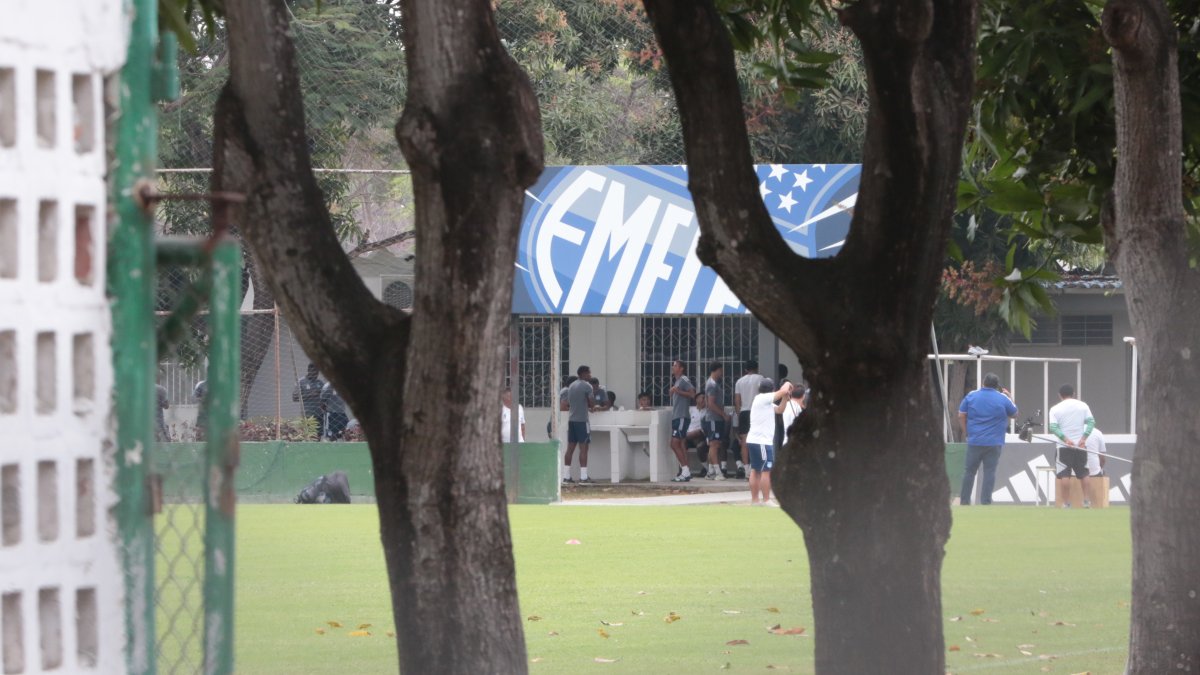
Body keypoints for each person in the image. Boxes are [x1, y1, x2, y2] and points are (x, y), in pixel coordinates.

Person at [957, 372, 1017, 505]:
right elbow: (1014, 414)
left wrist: (967, 432)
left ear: (983, 382)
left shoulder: (972, 395)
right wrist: (1010, 397)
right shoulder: (1002, 398)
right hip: (994, 442)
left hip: (975, 440)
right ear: (997, 386)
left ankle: (965, 501)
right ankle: (985, 502)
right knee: (990, 472)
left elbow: (961, 415)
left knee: (969, 472)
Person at [745, 379, 793, 505]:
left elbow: (780, 410)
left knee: (756, 470)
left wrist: (784, 398)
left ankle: (755, 500)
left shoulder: (763, 400)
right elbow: (782, 390)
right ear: (771, 389)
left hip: (756, 440)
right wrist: (787, 384)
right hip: (761, 441)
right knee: (766, 470)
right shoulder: (764, 398)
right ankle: (766, 500)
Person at [1049, 383, 1096, 508]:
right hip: (1080, 445)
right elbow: (1091, 422)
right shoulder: (1083, 405)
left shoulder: (1055, 408)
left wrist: (1065, 439)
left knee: (1064, 474)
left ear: (1060, 395)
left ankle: (1066, 503)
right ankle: (1086, 500)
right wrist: (1084, 438)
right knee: (1084, 473)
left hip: (1063, 446)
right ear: (1074, 394)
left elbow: (1053, 427)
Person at [563, 365, 597, 484]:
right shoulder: (587, 386)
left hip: (571, 420)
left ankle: (566, 477)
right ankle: (583, 478)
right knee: (584, 449)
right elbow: (591, 401)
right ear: (583, 374)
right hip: (582, 421)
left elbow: (568, 402)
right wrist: (593, 407)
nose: (590, 375)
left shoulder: (571, 385)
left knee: (570, 449)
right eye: (589, 373)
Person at [732, 360, 764, 479]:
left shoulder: (739, 381)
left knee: (744, 442)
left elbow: (737, 400)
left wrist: (739, 414)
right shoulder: (761, 379)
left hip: (744, 412)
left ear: (745, 370)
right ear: (757, 368)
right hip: (757, 411)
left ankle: (746, 470)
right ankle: (754, 467)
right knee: (758, 439)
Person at [667, 359, 696, 482]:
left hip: (682, 416)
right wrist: (672, 392)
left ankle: (685, 470)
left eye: (675, 366)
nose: (673, 367)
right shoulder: (677, 381)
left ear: (681, 368)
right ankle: (685, 470)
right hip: (677, 416)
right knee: (681, 444)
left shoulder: (684, 379)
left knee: (674, 444)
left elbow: (692, 394)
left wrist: (678, 391)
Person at [702, 362, 730, 481]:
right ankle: (717, 472)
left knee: (715, 444)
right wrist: (723, 414)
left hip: (715, 418)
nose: (722, 373)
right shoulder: (712, 385)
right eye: (721, 370)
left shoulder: (713, 384)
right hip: (713, 418)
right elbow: (711, 404)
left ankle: (710, 471)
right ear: (717, 370)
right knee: (714, 444)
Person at [292, 363, 326, 440]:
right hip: (307, 415)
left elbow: (324, 398)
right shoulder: (301, 382)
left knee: (318, 436)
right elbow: (294, 398)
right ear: (308, 371)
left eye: (317, 373)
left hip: (319, 414)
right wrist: (311, 395)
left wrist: (324, 405)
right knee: (309, 436)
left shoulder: (320, 383)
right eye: (314, 372)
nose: (315, 375)